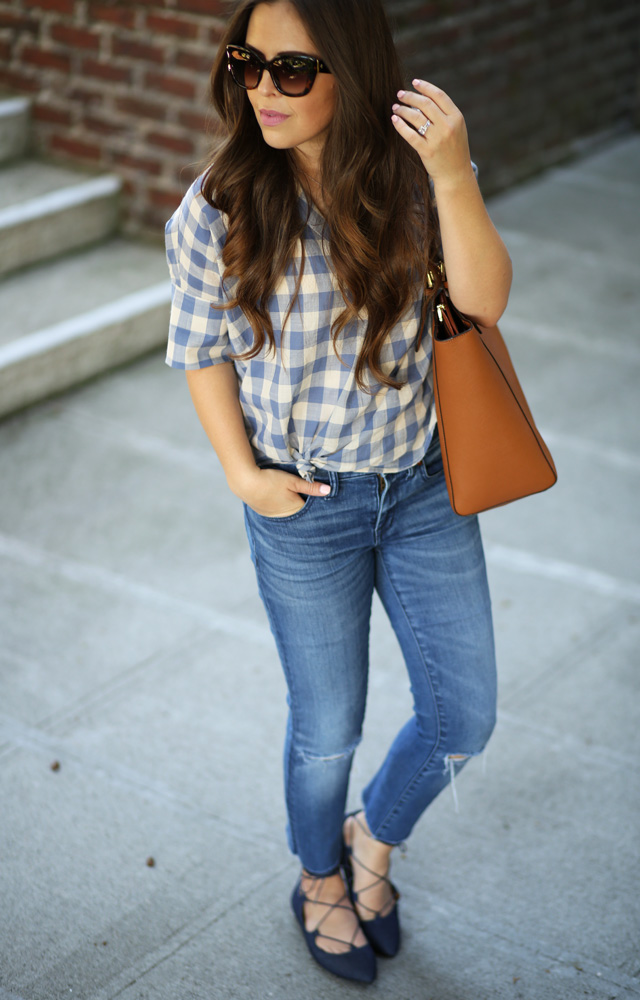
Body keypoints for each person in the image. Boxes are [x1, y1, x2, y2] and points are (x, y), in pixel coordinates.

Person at [165, 0, 512, 984]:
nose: (260, 89)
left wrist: (451, 171)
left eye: (291, 69)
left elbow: (483, 302)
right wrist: (244, 475)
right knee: (327, 728)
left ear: (350, 71)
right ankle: (319, 877)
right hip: (305, 505)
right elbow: (201, 352)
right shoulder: (218, 205)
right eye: (247, 63)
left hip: (424, 486)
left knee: (465, 714)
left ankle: (372, 840)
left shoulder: (411, 175)